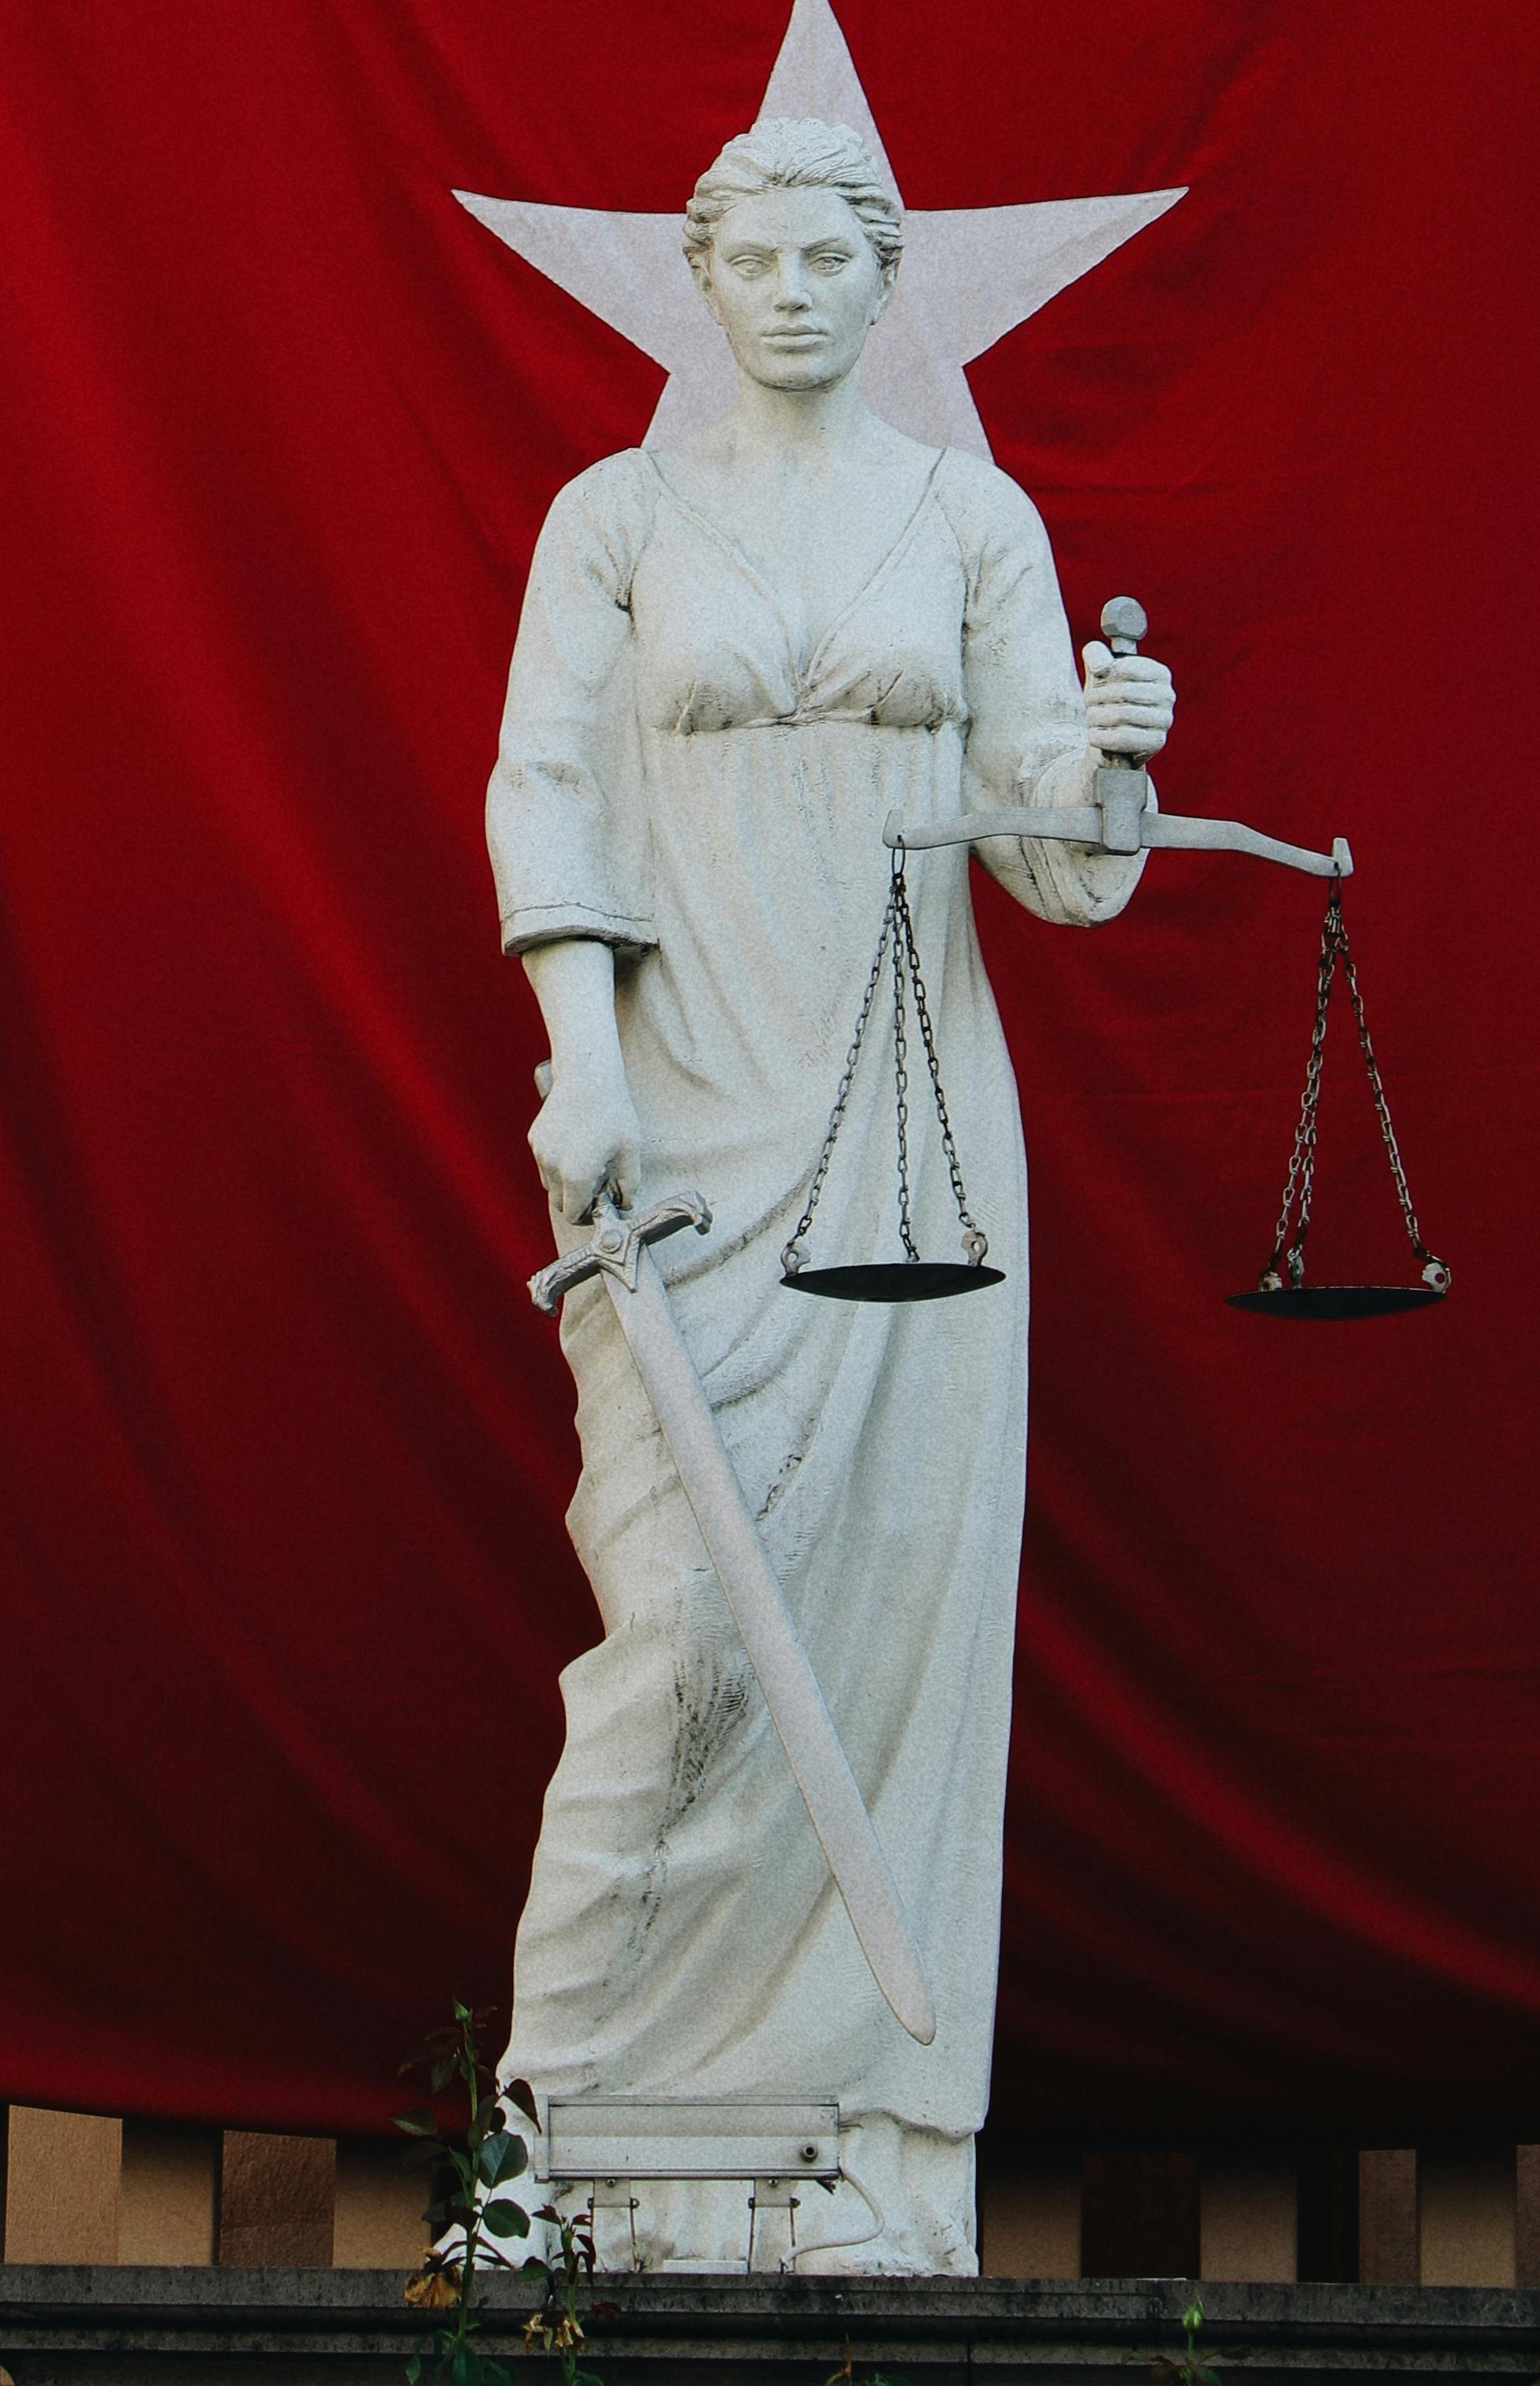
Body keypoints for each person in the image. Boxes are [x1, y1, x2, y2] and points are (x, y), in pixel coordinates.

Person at [488, 113, 1173, 2274]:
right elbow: (542, 781)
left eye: (831, 262)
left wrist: (1121, 754)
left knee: (885, 1625)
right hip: (684, 1115)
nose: (793, 292)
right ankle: (570, 2141)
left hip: (912, 1160)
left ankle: (869, 2158)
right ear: (706, 275)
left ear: (889, 286)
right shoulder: (613, 519)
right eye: (758, 259)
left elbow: (1060, 867)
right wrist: (584, 1057)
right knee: (680, 1630)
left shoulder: (972, 520)